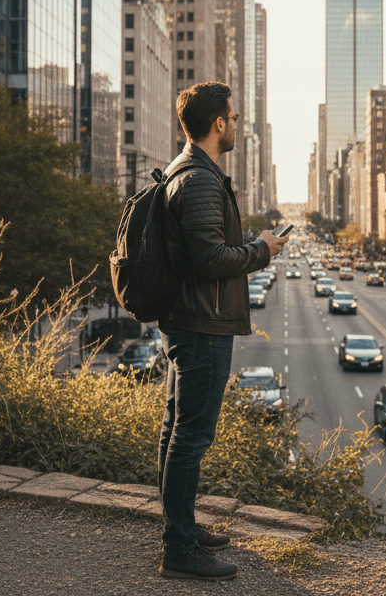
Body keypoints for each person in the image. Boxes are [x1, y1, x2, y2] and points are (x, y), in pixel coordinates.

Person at [156, 82, 288, 581]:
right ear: (217, 124)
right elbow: (211, 259)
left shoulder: (187, 169)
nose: (235, 124)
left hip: (188, 318)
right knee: (190, 437)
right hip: (201, 325)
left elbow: (201, 248)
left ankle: (181, 530)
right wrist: (263, 250)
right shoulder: (200, 180)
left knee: (177, 430)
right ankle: (179, 549)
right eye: (232, 118)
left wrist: (252, 243)